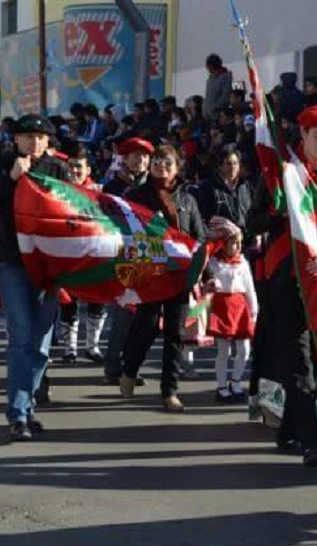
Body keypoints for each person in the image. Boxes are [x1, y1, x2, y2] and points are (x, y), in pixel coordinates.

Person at [246, 105, 317, 467]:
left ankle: (290, 430)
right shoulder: (281, 176)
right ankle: (313, 442)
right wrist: (279, 213)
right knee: (298, 362)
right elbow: (253, 222)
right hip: (284, 282)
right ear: (303, 136)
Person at [0, 114, 71, 441]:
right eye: (27, 136)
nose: (34, 142)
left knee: (42, 345)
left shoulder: (58, 169)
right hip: (11, 262)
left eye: (41, 137)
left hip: (49, 267)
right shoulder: (1, 162)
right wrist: (11, 179)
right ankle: (17, 415)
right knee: (22, 337)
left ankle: (27, 408)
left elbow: (75, 212)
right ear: (16, 139)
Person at [119, 145, 206, 412]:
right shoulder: (137, 195)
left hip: (180, 276)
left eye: (167, 162)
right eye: (157, 161)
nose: (161, 166)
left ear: (177, 166)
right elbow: (125, 231)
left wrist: (202, 269)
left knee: (175, 333)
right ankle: (129, 370)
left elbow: (199, 236)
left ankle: (170, 390)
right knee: (145, 326)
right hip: (151, 272)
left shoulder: (187, 198)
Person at [101, 137, 153, 384]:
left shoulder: (153, 186)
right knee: (123, 313)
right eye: (136, 155)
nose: (141, 160)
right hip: (122, 255)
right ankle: (113, 366)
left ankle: (130, 366)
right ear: (125, 158)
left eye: (145, 156)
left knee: (140, 316)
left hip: (147, 255)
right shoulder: (113, 187)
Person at [57, 148, 107, 365]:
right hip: (67, 255)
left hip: (96, 254)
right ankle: (70, 349)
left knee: (98, 301)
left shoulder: (100, 191)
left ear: (88, 169)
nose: (75, 171)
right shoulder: (57, 190)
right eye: (71, 166)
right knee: (68, 303)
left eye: (79, 166)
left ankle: (93, 346)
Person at [205, 219, 258, 403]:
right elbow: (206, 283)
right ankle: (221, 385)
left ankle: (236, 381)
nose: (238, 246)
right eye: (234, 242)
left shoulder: (242, 262)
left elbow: (249, 286)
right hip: (221, 307)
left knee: (244, 349)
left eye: (240, 243)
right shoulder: (213, 263)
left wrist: (253, 309)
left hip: (240, 307)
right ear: (223, 243)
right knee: (224, 351)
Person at [195, 150, 253, 231]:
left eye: (235, 163)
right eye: (229, 163)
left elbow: (252, 211)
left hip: (247, 237)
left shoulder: (245, 186)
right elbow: (204, 217)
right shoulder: (208, 187)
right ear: (220, 166)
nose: (233, 167)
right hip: (222, 238)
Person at [204, 54, 233, 120]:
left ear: (211, 65)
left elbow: (226, 95)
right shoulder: (209, 80)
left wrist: (215, 108)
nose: (206, 68)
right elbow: (207, 97)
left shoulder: (225, 77)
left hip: (219, 116)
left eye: (207, 65)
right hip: (209, 116)